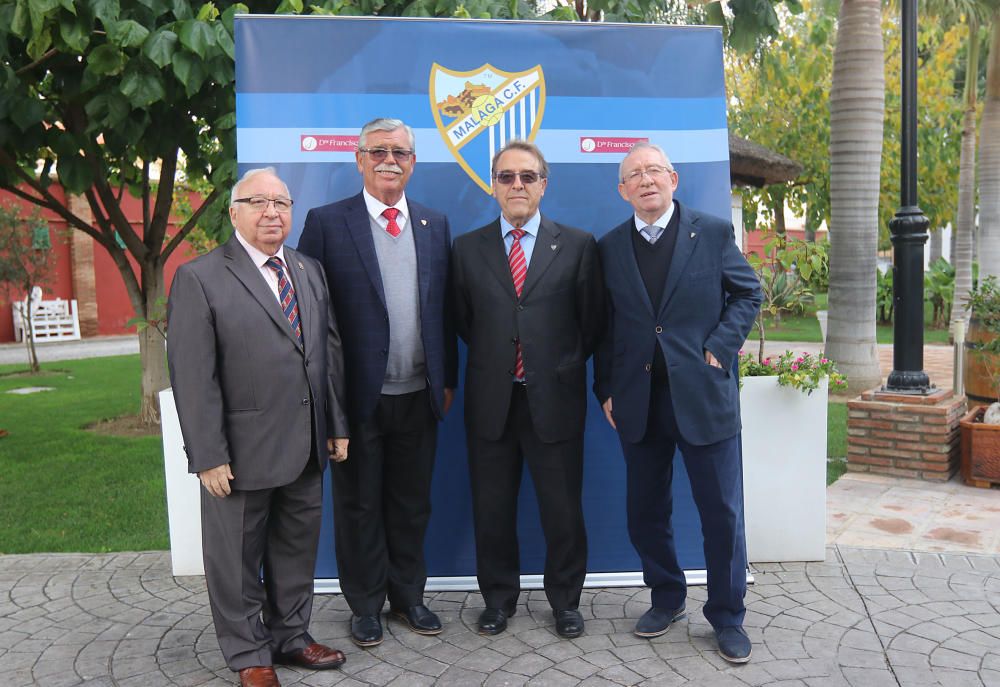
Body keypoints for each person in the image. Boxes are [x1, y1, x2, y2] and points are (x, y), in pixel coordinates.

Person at [167, 167, 349, 687]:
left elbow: (327, 354)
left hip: (307, 444)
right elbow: (193, 374)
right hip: (239, 453)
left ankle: (291, 636)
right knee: (237, 559)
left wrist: (336, 424)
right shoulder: (199, 277)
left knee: (296, 551)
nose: (273, 212)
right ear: (233, 212)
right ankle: (249, 653)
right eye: (259, 202)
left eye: (282, 202)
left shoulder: (309, 271)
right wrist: (206, 453)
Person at [593, 143, 762, 663]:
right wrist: (605, 388)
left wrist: (718, 347)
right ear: (623, 191)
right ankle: (666, 598)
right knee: (646, 511)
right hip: (639, 401)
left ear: (673, 179)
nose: (645, 181)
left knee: (721, 514)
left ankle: (728, 616)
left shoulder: (710, 233)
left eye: (653, 171)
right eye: (633, 176)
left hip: (703, 397)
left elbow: (747, 293)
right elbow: (605, 326)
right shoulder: (609, 247)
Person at [298, 118, 457, 648]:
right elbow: (311, 316)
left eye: (401, 152)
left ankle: (408, 596)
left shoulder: (435, 224)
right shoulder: (326, 222)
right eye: (379, 151)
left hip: (420, 394)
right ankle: (364, 604)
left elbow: (445, 312)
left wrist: (447, 380)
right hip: (356, 398)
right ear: (360, 158)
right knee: (360, 504)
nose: (390, 160)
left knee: (412, 503)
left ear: (413, 162)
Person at [452, 140, 604, 639]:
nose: (517, 185)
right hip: (492, 401)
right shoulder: (467, 248)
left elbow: (592, 323)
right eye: (506, 177)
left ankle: (565, 602)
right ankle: (498, 600)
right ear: (492, 184)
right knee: (491, 510)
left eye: (527, 176)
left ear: (544, 183)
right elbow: (464, 321)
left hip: (554, 401)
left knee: (562, 511)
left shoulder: (579, 245)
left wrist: (554, 364)